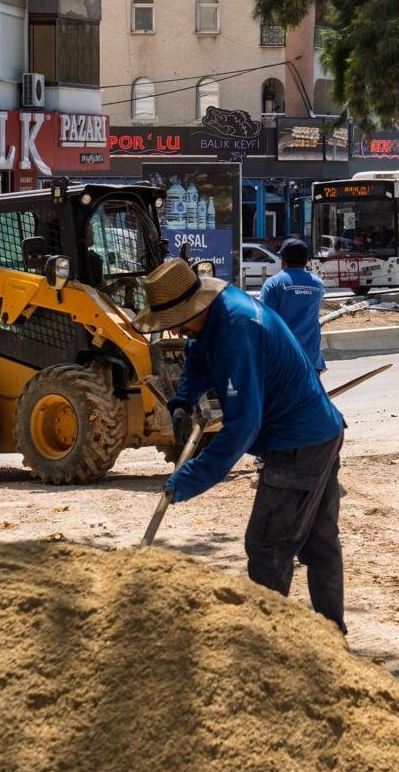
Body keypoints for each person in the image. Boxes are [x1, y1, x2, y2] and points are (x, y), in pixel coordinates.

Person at [139, 258, 349, 633]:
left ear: (196, 306)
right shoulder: (219, 311)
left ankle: (263, 646)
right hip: (321, 433)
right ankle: (332, 635)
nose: (180, 331)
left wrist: (191, 477)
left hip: (298, 443)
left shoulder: (237, 330)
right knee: (318, 543)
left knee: (268, 546)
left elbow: (242, 427)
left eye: (179, 322)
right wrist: (184, 400)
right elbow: (199, 358)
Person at [259, 239, 327, 373]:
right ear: (306, 260)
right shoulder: (318, 284)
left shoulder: (273, 283)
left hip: (283, 362)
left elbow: (265, 321)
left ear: (283, 259)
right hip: (312, 361)